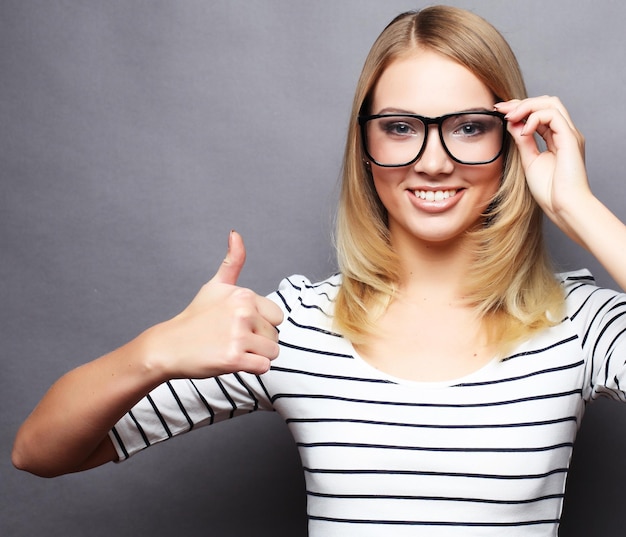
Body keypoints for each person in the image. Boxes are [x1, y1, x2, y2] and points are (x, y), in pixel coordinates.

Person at [12, 5, 626, 536]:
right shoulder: (296, 326)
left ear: (511, 142)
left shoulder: (575, 323)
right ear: (366, 146)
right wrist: (155, 351)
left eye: (469, 128)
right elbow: (38, 451)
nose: (434, 161)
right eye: (400, 128)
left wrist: (579, 208)